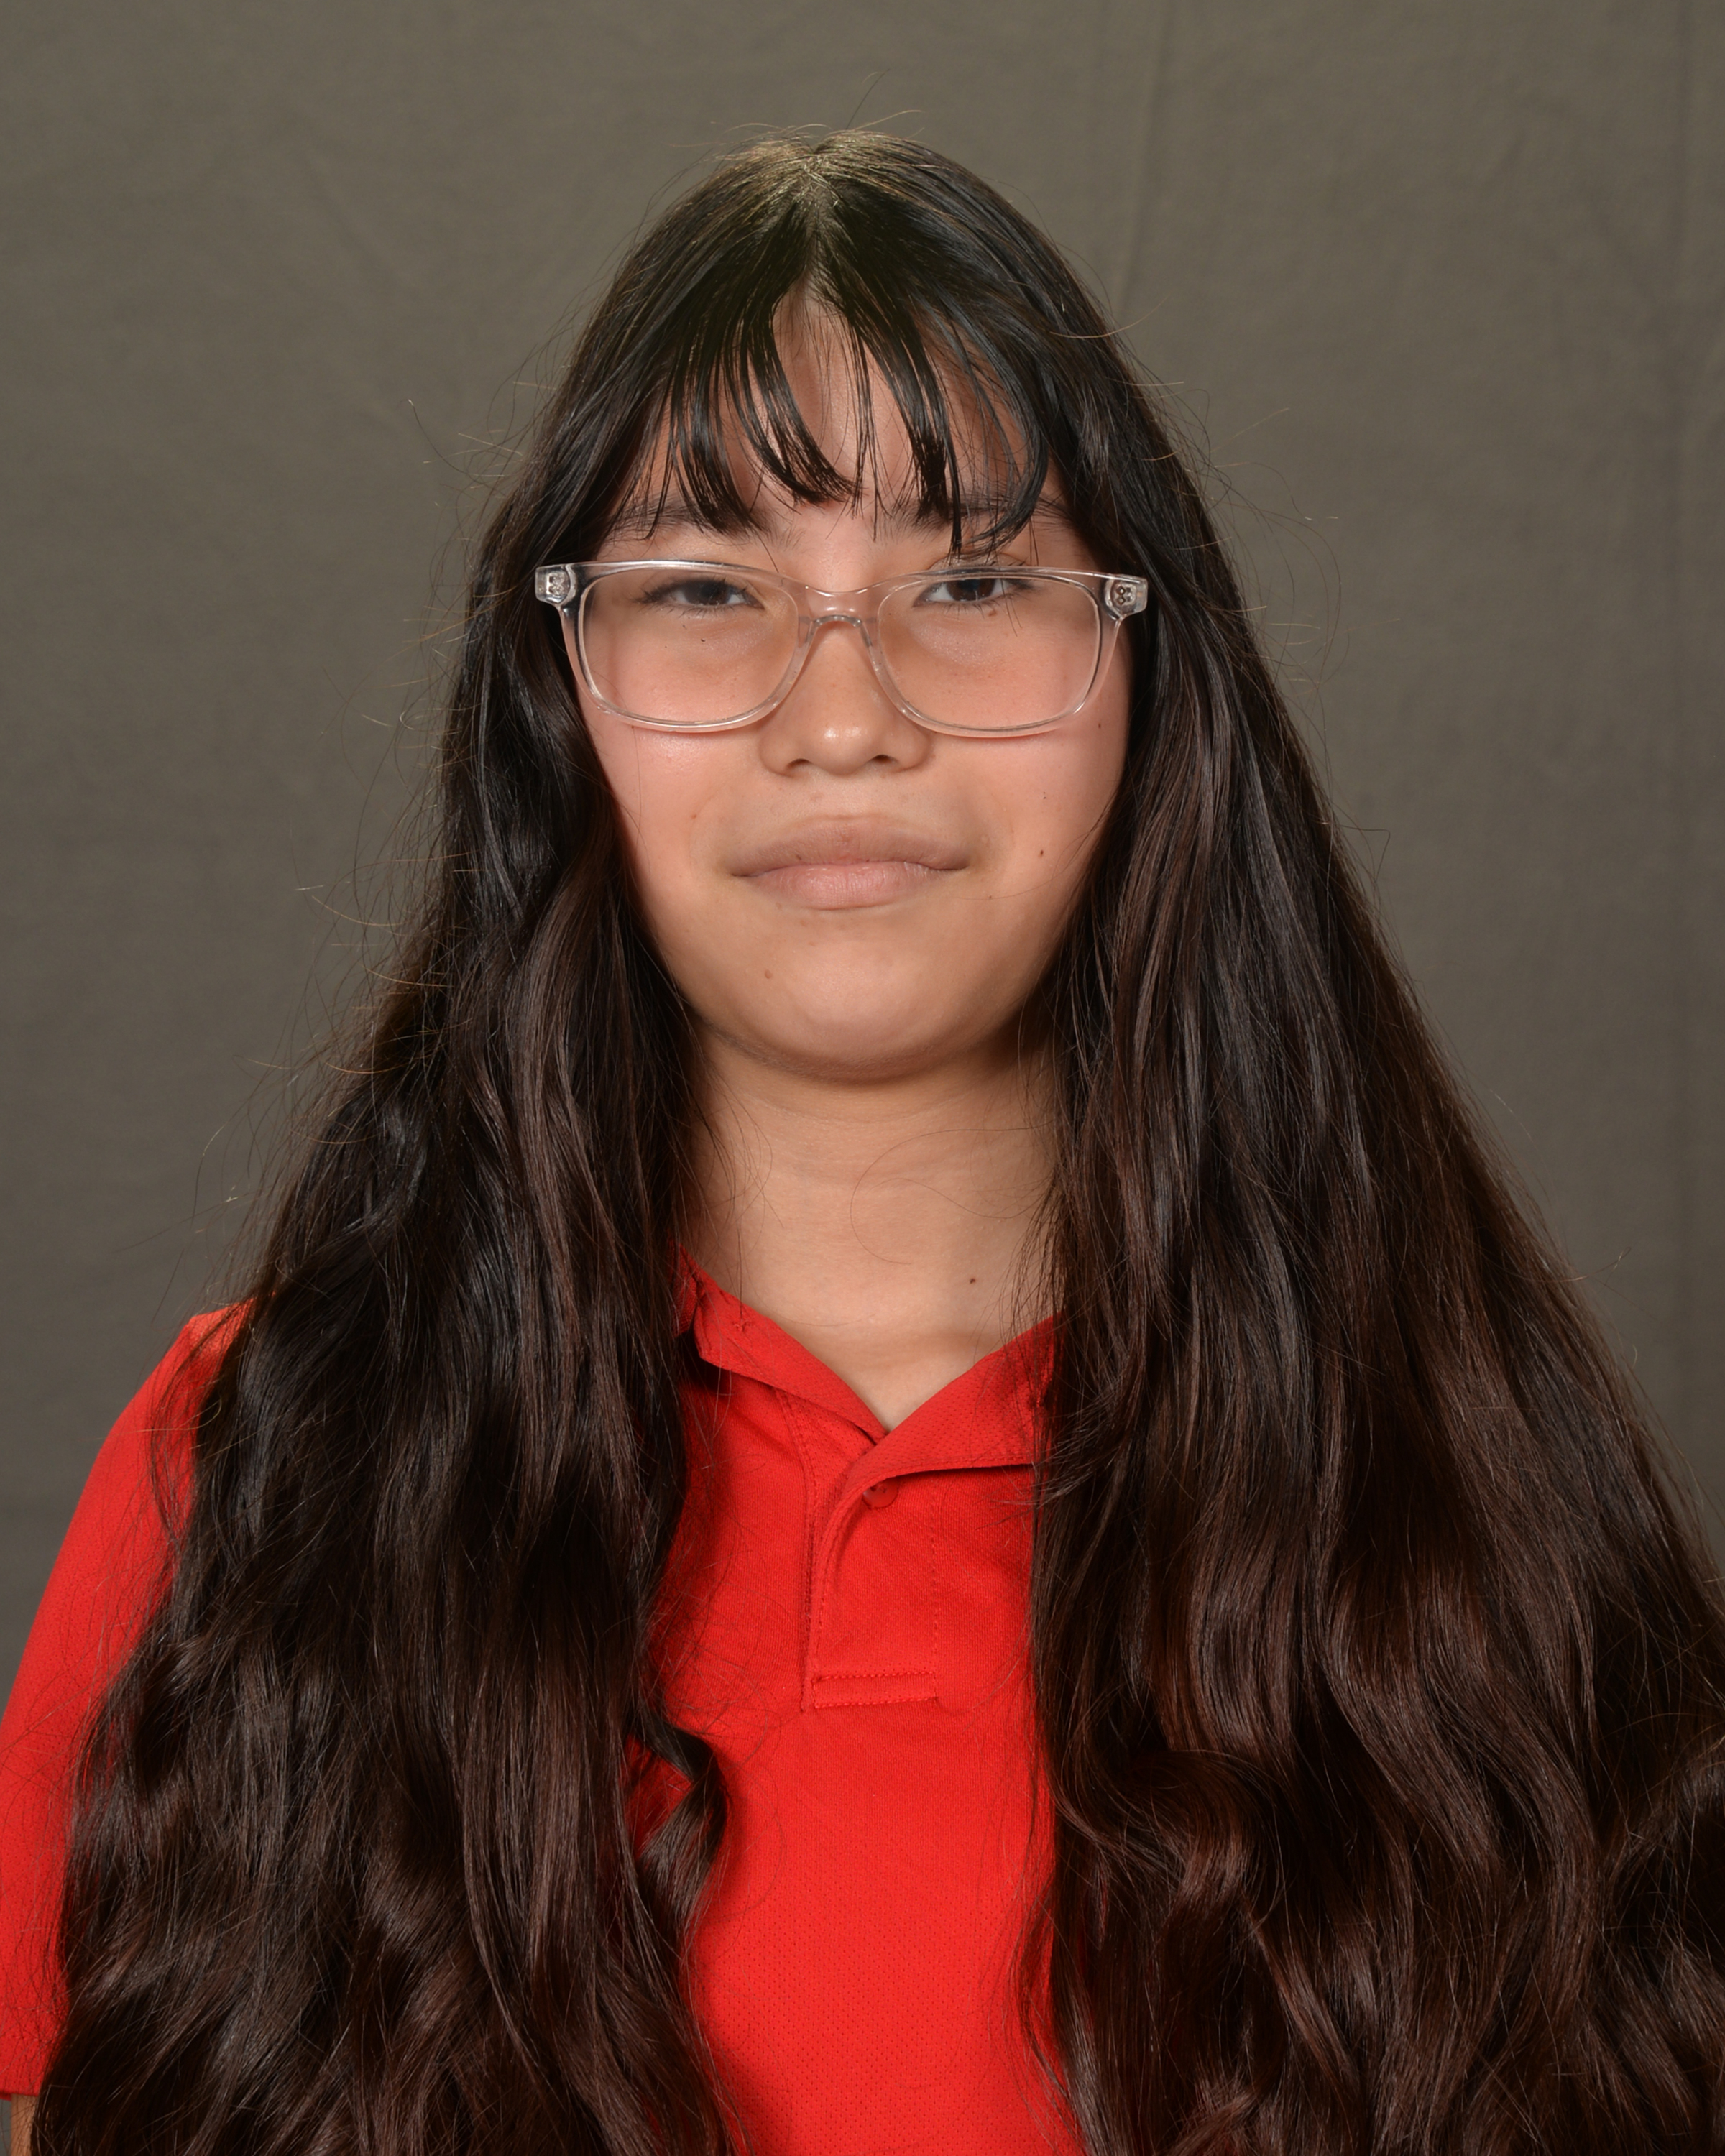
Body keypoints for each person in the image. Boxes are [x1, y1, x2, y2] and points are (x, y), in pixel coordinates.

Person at [2, 129, 1721, 2156]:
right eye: (705, 588)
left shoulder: (1471, 1487)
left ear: (1147, 676)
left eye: (973, 579)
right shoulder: (253, 1468)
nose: (842, 718)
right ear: (562, 697)